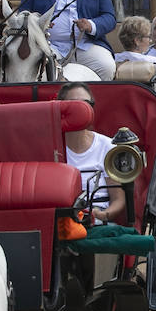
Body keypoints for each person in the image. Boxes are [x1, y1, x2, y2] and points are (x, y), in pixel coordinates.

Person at [53, 82, 125, 224]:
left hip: (98, 218)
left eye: (85, 104)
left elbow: (118, 200)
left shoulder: (107, 146)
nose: (80, 110)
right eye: (74, 105)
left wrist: (103, 215)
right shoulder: (52, 148)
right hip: (63, 219)